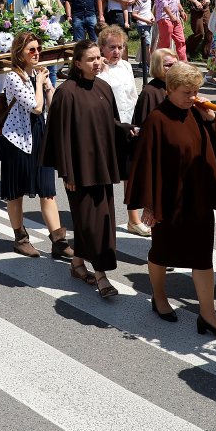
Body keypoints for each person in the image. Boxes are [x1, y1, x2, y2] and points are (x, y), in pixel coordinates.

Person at [127, 60, 216, 338]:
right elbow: (146, 164)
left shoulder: (198, 113)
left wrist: (211, 120)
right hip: (168, 201)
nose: (192, 97)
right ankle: (159, 297)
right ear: (170, 89)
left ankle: (208, 315)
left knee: (202, 258)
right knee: (161, 253)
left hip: (197, 198)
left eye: (195, 91)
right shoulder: (157, 120)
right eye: (187, 92)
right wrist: (148, 205)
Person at [43, 39, 128, 298]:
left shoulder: (103, 87)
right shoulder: (66, 92)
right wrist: (66, 172)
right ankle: (101, 275)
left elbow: (110, 122)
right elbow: (60, 136)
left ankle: (77, 263)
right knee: (93, 224)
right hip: (78, 171)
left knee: (96, 220)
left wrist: (129, 130)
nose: (97, 63)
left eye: (98, 58)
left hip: (102, 165)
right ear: (77, 63)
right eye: (91, 59)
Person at [0, 31, 71, 257]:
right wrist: (38, 82)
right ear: (20, 53)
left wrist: (47, 85)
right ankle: (20, 238)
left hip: (40, 135)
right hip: (17, 139)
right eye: (32, 50)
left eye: (38, 49)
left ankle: (59, 241)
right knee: (16, 191)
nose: (37, 53)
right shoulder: (13, 77)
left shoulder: (38, 76)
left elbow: (50, 106)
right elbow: (35, 107)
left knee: (47, 189)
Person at [96, 24, 146, 236]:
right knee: (106, 174)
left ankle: (133, 219)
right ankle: (102, 217)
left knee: (131, 175)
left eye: (120, 47)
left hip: (129, 126)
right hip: (110, 128)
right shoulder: (99, 71)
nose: (116, 51)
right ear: (101, 49)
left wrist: (137, 122)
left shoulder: (126, 66)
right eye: (111, 47)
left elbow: (133, 95)